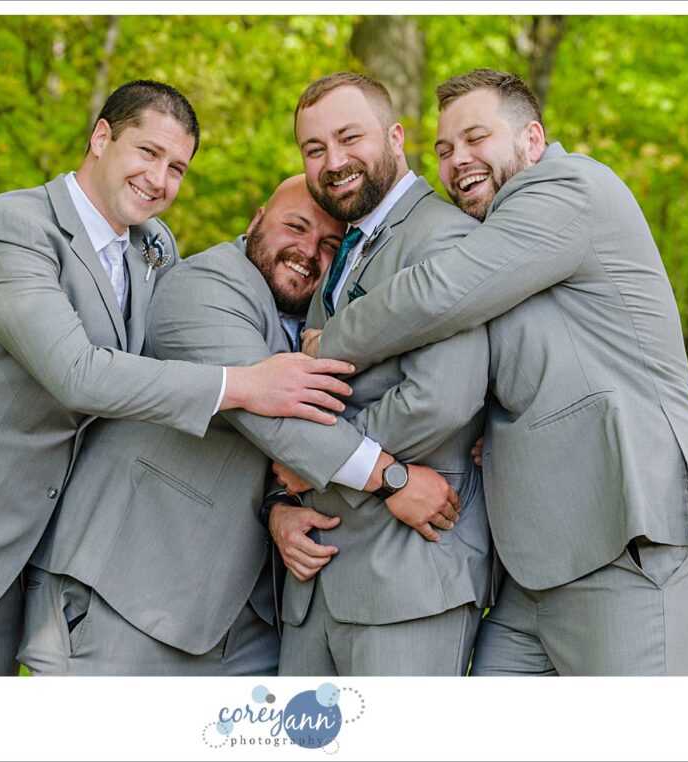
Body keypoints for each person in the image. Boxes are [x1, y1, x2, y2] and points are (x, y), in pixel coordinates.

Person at [0, 80, 356, 676]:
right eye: (148, 152)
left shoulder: (155, 250)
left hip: (6, 562)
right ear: (101, 137)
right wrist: (244, 383)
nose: (159, 179)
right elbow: (77, 374)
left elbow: (161, 370)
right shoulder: (12, 227)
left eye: (177, 167)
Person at [304, 69, 688, 675]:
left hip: (633, 534)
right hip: (538, 564)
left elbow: (440, 291)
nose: (458, 161)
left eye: (476, 138)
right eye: (446, 149)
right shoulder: (499, 238)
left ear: (532, 140)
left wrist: (329, 341)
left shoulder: (569, 189)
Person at [19, 175, 459, 675]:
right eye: (295, 227)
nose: (308, 251)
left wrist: (279, 507)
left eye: (329, 245)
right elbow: (274, 421)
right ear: (255, 221)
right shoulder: (205, 286)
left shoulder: (324, 326)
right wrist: (391, 479)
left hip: (244, 615)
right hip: (130, 587)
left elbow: (271, 449)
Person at [270, 72, 496, 676]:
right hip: (314, 581)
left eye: (350, 138)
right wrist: (282, 501)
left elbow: (439, 397)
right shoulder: (344, 246)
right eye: (314, 150)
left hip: (408, 578)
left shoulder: (446, 237)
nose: (333, 162)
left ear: (395, 136)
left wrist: (317, 459)